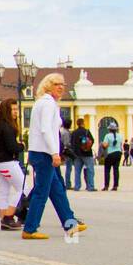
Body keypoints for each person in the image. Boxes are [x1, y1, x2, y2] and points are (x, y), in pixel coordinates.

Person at [21, 74, 87, 240]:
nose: (61, 87)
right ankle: (29, 228)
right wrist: (54, 152)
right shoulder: (48, 104)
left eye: (62, 84)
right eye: (56, 84)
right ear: (48, 86)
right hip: (44, 154)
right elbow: (46, 130)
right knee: (41, 192)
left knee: (57, 190)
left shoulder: (43, 103)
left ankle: (70, 224)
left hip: (41, 152)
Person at [0, 97, 25, 230]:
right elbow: (12, 147)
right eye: (13, 109)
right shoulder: (7, 127)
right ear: (6, 111)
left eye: (17, 109)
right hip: (7, 162)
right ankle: (8, 216)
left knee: (3, 191)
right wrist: (21, 146)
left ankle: (3, 219)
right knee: (24, 188)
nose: (16, 112)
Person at [71, 117, 96, 191]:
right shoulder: (87, 131)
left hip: (76, 154)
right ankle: (90, 186)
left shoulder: (74, 132)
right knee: (90, 170)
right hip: (87, 153)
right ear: (83, 123)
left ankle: (77, 186)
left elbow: (71, 143)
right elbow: (92, 141)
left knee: (77, 171)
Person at [101, 121, 123, 191]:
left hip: (110, 154)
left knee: (107, 170)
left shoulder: (107, 136)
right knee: (116, 170)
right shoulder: (120, 136)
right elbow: (120, 145)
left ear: (109, 129)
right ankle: (115, 186)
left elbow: (105, 145)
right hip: (118, 153)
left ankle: (106, 186)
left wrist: (102, 144)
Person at [60, 116, 76, 186]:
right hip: (67, 151)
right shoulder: (66, 132)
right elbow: (66, 143)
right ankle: (68, 183)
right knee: (69, 168)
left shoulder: (61, 130)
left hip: (62, 150)